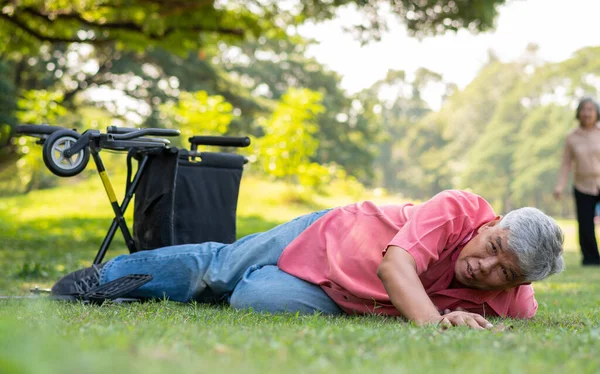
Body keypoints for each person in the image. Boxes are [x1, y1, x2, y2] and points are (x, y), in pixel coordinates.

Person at [52, 190, 565, 330]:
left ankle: (235, 287)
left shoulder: (512, 299)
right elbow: (395, 267)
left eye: (506, 274)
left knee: (255, 297)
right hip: (329, 234)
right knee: (220, 269)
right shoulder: (457, 209)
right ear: (489, 226)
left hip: (339, 295)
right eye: (493, 250)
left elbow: (522, 318)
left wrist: (483, 326)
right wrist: (434, 323)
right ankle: (106, 278)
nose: (486, 270)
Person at [554, 97, 600, 266]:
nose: (587, 113)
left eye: (591, 109)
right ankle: (591, 259)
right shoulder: (572, 137)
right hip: (582, 185)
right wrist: (560, 186)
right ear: (579, 113)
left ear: (597, 113)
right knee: (586, 225)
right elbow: (566, 164)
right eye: (584, 109)